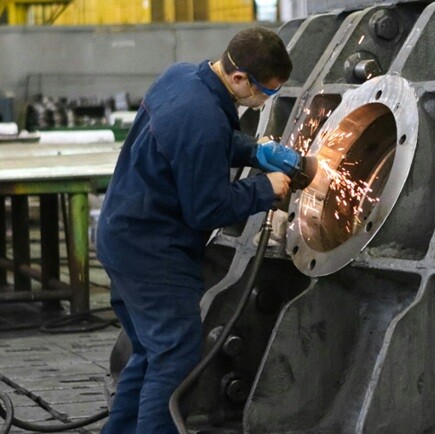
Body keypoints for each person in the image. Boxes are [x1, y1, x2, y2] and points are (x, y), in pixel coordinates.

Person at [96, 27, 294, 434]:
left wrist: (255, 150)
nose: (264, 100)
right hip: (152, 252)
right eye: (265, 92)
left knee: (150, 353)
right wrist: (264, 188)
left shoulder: (182, 77)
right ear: (240, 79)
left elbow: (203, 140)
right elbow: (207, 208)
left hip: (122, 234)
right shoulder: (201, 117)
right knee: (174, 358)